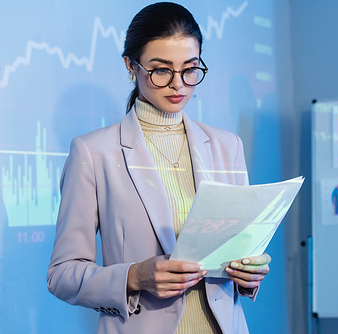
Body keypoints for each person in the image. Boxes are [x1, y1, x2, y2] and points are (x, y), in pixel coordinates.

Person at [47, 3, 271, 334]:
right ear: (131, 65)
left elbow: (236, 251)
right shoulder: (93, 153)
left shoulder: (228, 146)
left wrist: (249, 273)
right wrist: (134, 276)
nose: (178, 84)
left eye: (190, 69)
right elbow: (61, 275)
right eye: (161, 70)